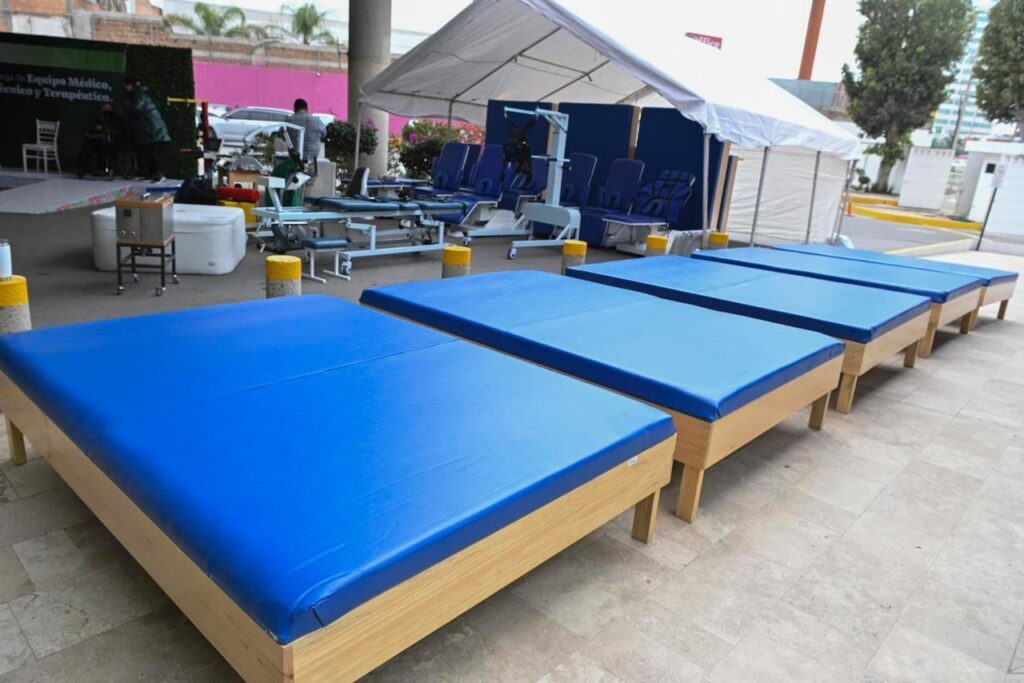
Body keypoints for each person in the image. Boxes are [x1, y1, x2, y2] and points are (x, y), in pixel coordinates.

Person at [125, 79, 172, 181]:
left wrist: (128, 106)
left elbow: (136, 107)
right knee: (148, 151)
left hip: (151, 128)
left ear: (130, 85)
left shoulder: (138, 94)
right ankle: (153, 173)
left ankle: (157, 173)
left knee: (150, 151)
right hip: (151, 127)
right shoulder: (142, 93)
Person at [77, 102, 120, 178]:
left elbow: (116, 129)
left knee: (107, 151)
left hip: (109, 141)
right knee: (86, 150)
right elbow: (90, 126)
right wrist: (94, 129)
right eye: (105, 107)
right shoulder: (97, 116)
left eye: (108, 108)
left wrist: (105, 129)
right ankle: (82, 169)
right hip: (96, 139)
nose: (106, 109)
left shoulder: (114, 117)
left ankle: (105, 169)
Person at [286, 98, 326, 168]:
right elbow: (324, 135)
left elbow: (282, 135)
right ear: (307, 108)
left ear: (295, 109)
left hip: (295, 159)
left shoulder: (289, 120)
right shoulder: (317, 121)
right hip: (312, 159)